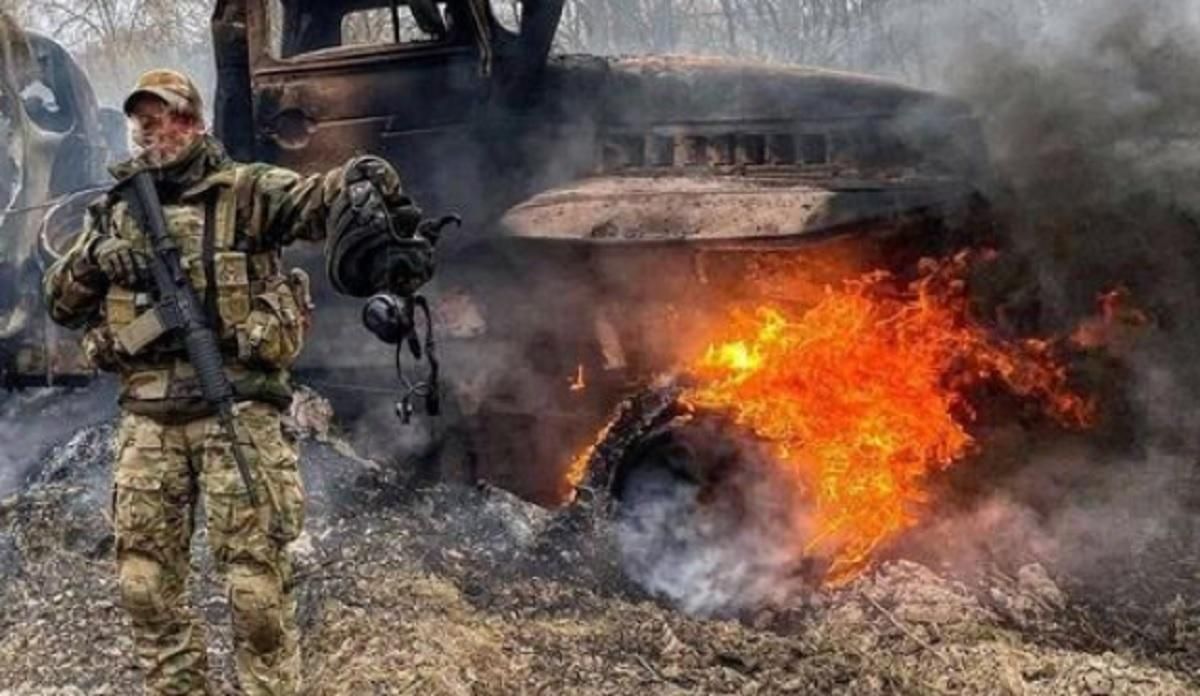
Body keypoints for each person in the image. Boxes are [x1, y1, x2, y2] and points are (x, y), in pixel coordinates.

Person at [43, 69, 434, 696]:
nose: (149, 129)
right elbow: (59, 303)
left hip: (238, 413)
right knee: (143, 588)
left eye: (162, 115)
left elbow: (311, 200)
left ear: (193, 122)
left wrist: (358, 177)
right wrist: (93, 259)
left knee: (256, 597)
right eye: (140, 118)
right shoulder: (112, 213)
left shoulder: (245, 192)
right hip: (149, 421)